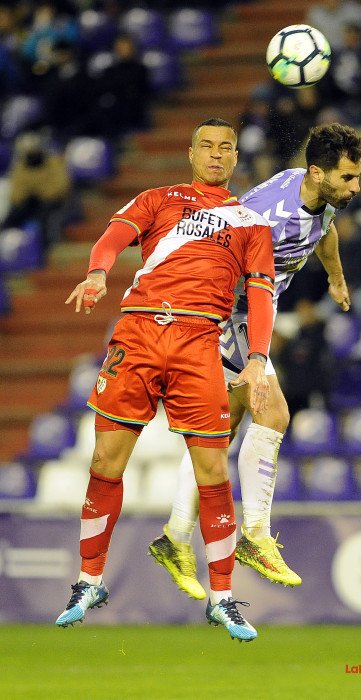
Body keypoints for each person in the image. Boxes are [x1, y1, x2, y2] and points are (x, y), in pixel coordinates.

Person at [55, 118, 276, 643]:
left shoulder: (250, 223)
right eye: (207, 146)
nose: (216, 154)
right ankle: (89, 581)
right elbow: (112, 238)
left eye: (226, 148)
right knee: (105, 461)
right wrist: (97, 272)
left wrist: (257, 357)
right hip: (138, 334)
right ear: (191, 153)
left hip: (199, 342)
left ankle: (222, 597)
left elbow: (261, 292)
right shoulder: (158, 199)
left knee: (212, 471)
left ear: (236, 158)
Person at [149, 122, 361, 597]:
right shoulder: (269, 216)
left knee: (220, 431)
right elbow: (214, 257)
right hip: (222, 309)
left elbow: (325, 230)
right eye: (349, 178)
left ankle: (175, 536)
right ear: (318, 172)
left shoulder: (312, 189)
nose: (356, 187)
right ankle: (255, 536)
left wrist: (335, 277)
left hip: (247, 310)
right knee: (274, 413)